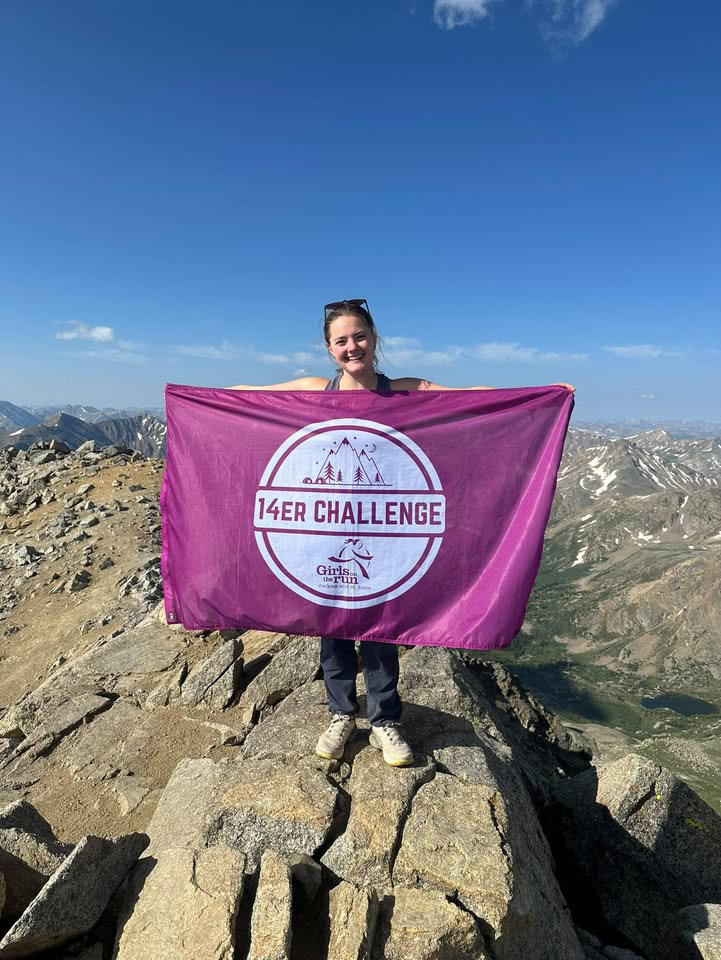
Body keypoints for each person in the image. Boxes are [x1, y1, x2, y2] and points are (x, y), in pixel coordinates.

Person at [229, 298, 574, 767]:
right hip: (326, 528)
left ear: (374, 338)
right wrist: (202, 400)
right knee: (329, 624)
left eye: (359, 337)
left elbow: (472, 397)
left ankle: (385, 721)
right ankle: (341, 713)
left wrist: (539, 396)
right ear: (329, 349)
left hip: (382, 533)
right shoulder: (317, 390)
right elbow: (257, 396)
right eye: (341, 341)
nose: (352, 347)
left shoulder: (405, 391)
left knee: (380, 626)